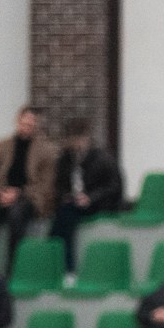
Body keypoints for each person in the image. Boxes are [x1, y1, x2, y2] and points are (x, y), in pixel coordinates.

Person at [0, 105, 60, 268]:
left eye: (31, 124)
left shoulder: (47, 151)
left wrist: (19, 193)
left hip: (29, 197)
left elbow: (45, 185)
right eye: (24, 123)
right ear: (18, 121)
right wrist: (0, 193)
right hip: (2, 194)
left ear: (37, 126)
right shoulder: (0, 147)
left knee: (16, 216)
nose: (26, 127)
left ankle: (13, 267)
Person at [46, 116, 125, 276]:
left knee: (63, 219)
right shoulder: (65, 159)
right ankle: (60, 263)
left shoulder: (103, 158)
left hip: (98, 203)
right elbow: (59, 185)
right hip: (73, 203)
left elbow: (114, 187)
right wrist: (66, 196)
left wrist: (90, 198)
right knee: (63, 216)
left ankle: (67, 267)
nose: (75, 144)